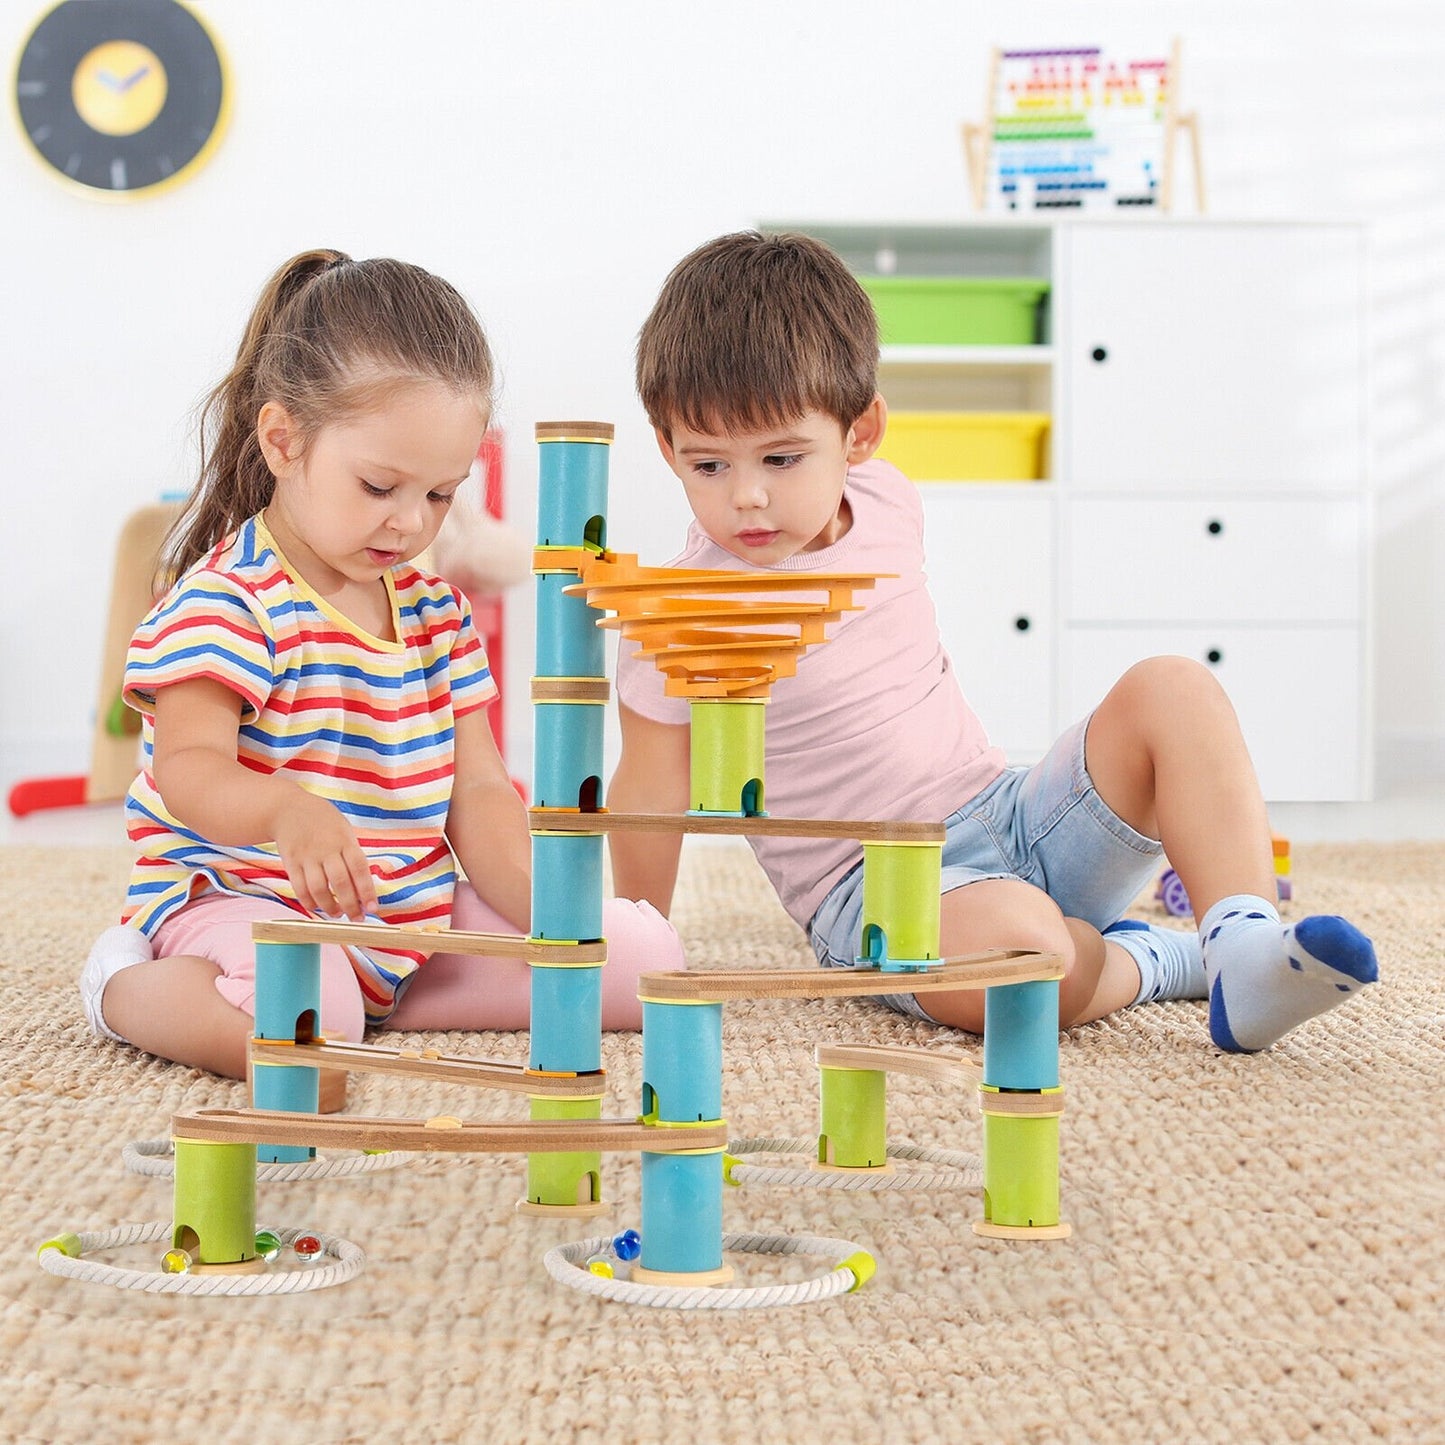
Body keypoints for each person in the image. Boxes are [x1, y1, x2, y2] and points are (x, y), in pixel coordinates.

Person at [608, 230, 1377, 1050]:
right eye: (709, 467)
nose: (748, 498)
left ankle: (1243, 945)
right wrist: (640, 939)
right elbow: (650, 789)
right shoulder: (683, 611)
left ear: (859, 436)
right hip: (876, 891)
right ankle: (1154, 962)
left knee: (1174, 687)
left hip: (1010, 812)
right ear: (667, 449)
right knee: (1027, 957)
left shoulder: (885, 498)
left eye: (783, 457)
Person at [80, 249, 679, 1101]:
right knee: (311, 1053)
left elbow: (477, 788)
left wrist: (545, 912)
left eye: (439, 495)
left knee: (645, 961)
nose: (409, 522)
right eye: (378, 485)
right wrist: (286, 808)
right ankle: (122, 986)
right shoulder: (226, 601)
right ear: (283, 441)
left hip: (402, 923)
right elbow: (187, 770)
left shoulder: (434, 612)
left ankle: (361, 999)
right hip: (239, 902)